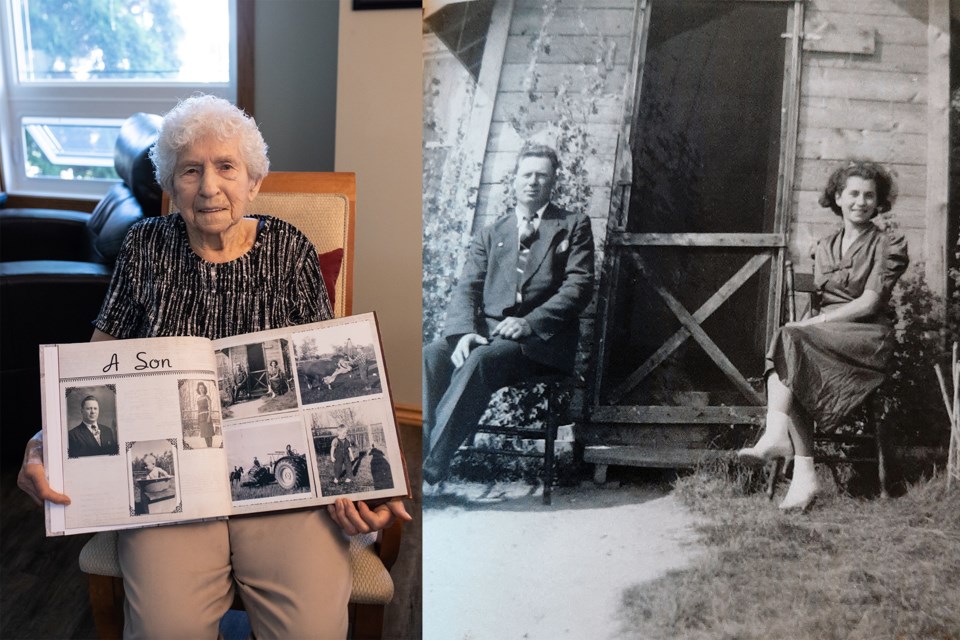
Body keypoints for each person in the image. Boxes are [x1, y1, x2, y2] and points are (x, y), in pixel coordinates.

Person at [17, 94, 410, 639]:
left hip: (280, 492)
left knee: (311, 631)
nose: (208, 187)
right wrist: (45, 442)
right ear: (170, 185)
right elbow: (92, 368)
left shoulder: (289, 249)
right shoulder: (143, 247)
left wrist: (366, 481)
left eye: (226, 167)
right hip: (173, 484)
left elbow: (330, 384)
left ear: (252, 180)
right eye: (190, 170)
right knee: (165, 629)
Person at [738, 159, 909, 511]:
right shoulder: (825, 246)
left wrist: (815, 324)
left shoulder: (886, 244)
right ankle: (801, 474)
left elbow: (869, 302)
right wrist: (813, 326)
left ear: (879, 203)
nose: (861, 202)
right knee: (792, 352)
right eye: (853, 194)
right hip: (828, 336)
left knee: (793, 342)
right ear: (837, 197)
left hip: (866, 338)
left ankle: (779, 442)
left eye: (869, 196)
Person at [422, 142, 595, 485]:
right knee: (431, 355)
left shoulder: (573, 225)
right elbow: (467, 287)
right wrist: (462, 333)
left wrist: (529, 323)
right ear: (514, 181)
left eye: (541, 176)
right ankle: (417, 452)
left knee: (480, 360)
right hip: (488, 335)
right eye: (526, 174)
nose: (533, 182)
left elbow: (579, 287)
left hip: (539, 344)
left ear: (553, 182)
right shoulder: (492, 233)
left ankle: (432, 464)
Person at [195, 382, 214, 447]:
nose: (201, 389)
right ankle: (208, 447)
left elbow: (210, 408)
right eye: (200, 388)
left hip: (206, 416)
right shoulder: (198, 398)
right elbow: (198, 410)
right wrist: (198, 419)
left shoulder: (207, 397)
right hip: (201, 417)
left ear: (204, 388)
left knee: (209, 434)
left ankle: (210, 446)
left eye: (202, 387)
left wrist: (209, 416)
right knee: (205, 434)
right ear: (198, 389)